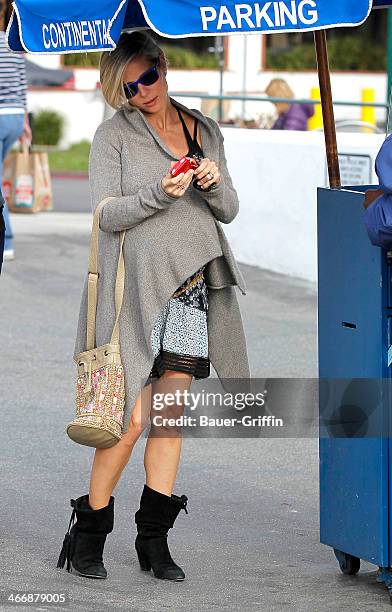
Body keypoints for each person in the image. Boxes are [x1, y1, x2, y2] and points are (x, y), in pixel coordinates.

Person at [56, 31, 250, 582]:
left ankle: (154, 541)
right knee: (131, 418)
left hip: (190, 289)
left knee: (168, 418)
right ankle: (89, 530)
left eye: (149, 77)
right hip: (133, 290)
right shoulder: (111, 136)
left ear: (163, 66)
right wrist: (157, 195)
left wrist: (210, 183)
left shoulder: (202, 129)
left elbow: (229, 209)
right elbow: (105, 214)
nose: (143, 91)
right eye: (129, 85)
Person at [0, 0, 32, 264]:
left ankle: (6, 239)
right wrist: (25, 123)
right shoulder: (13, 47)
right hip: (14, 118)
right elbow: (23, 87)